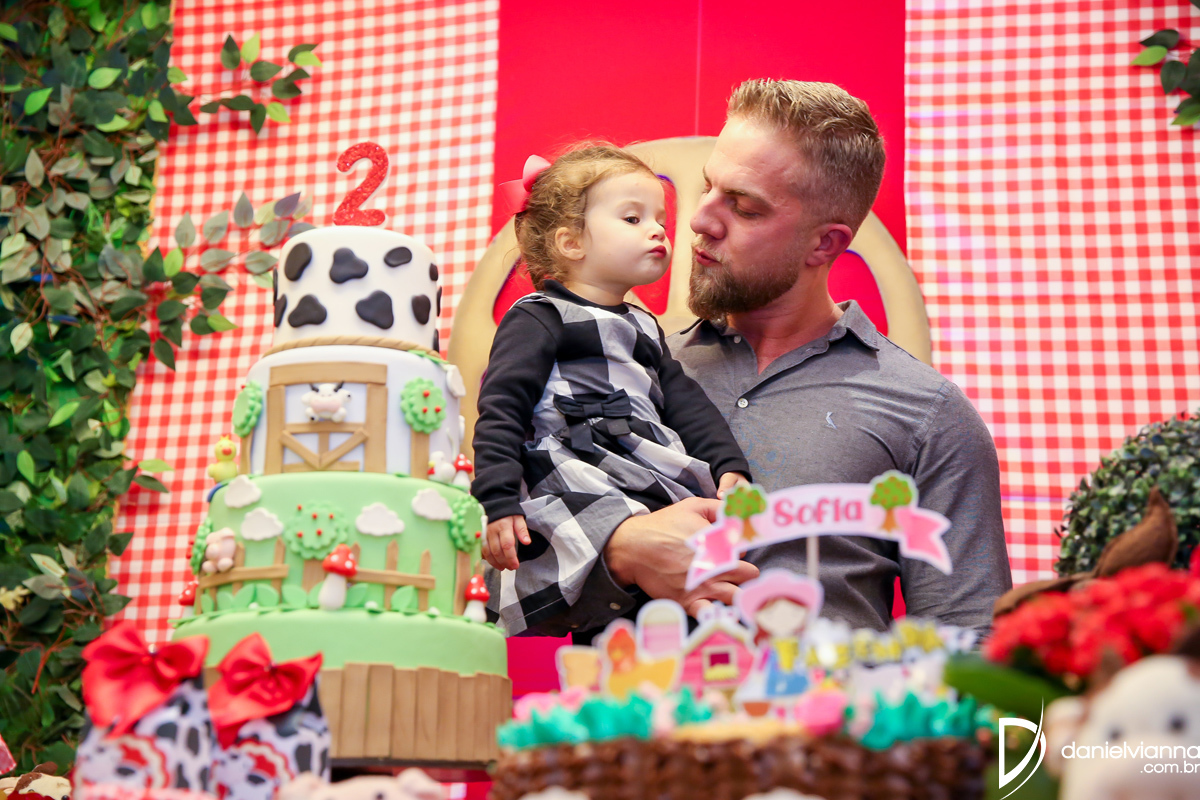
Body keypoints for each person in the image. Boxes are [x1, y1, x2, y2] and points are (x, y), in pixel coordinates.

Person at [493, 80, 1013, 638]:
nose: (699, 220)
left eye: (743, 207)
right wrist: (617, 549)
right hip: (629, 696)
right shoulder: (624, 367)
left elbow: (969, 643)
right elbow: (490, 575)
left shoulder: (929, 413)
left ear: (825, 244)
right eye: (708, 187)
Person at [472, 145, 752, 639]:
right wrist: (498, 500)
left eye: (659, 218)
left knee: (689, 558)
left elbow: (686, 404)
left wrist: (729, 467)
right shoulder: (539, 316)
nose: (658, 230)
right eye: (632, 218)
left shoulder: (644, 325)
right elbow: (502, 409)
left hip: (641, 458)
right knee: (606, 574)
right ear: (571, 242)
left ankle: (704, 639)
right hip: (580, 464)